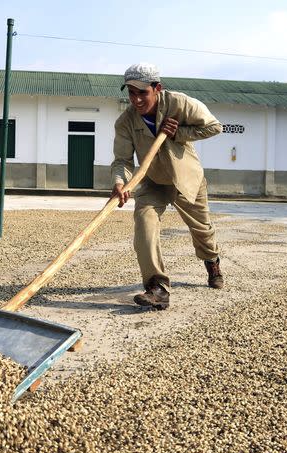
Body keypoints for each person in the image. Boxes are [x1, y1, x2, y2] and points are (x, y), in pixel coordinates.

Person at [111, 63, 224, 311]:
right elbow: (122, 161)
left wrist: (178, 133)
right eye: (131, 92)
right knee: (144, 223)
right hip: (152, 180)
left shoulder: (179, 104)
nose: (137, 99)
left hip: (185, 177)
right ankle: (157, 288)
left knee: (202, 228)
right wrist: (120, 183)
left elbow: (215, 126)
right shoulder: (125, 122)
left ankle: (212, 261)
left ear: (157, 88)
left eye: (142, 92)